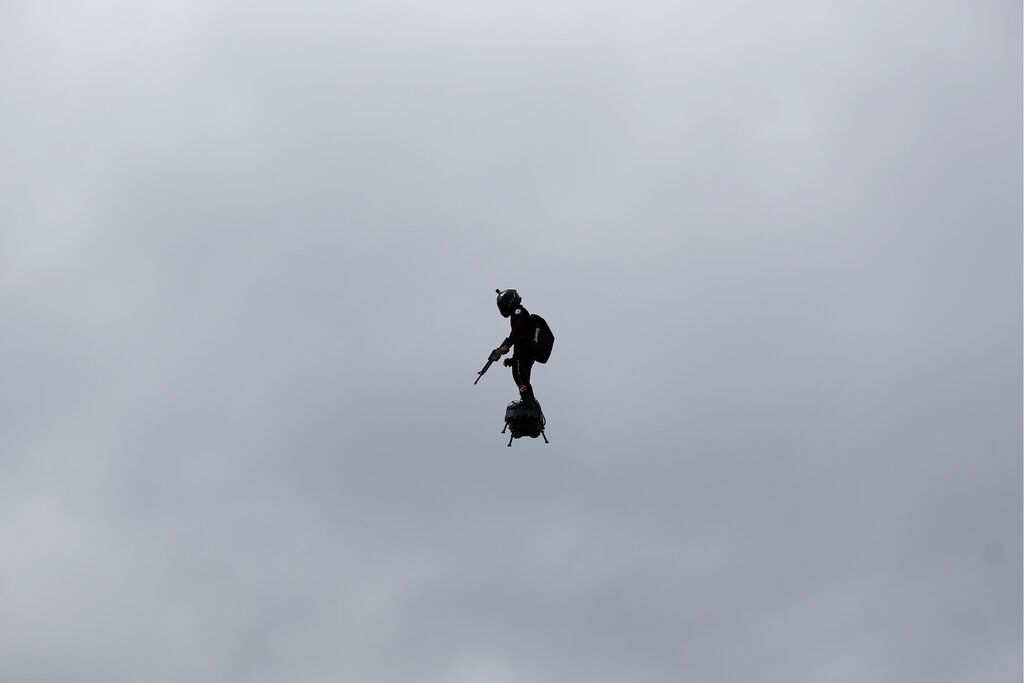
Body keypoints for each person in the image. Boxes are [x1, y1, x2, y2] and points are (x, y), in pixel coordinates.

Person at [495, 289, 538, 407]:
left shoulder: (518, 312)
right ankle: (528, 399)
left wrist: (507, 344)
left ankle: (528, 401)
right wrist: (513, 360)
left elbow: (518, 329)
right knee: (521, 375)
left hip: (524, 349)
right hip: (524, 350)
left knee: (519, 376)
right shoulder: (518, 313)